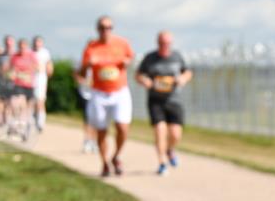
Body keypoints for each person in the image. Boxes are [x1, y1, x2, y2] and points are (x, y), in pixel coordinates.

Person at [75, 15, 134, 176]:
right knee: (102, 130)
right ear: (97, 29)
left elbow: (130, 58)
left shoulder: (122, 43)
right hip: (99, 93)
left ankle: (116, 156)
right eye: (102, 27)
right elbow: (80, 73)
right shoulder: (91, 48)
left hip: (119, 91)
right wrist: (88, 64)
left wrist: (127, 62)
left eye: (109, 27)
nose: (105, 30)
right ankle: (105, 163)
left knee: (122, 127)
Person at [136, 31, 193, 175]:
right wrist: (145, 80)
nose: (164, 46)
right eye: (162, 43)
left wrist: (183, 79)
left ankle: (169, 150)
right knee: (160, 131)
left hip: (174, 100)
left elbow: (187, 72)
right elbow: (138, 75)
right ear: (157, 43)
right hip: (156, 100)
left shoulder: (177, 57)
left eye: (167, 43)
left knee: (175, 135)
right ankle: (162, 162)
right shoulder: (150, 58)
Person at [8, 38, 39, 141]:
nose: (22, 49)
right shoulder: (15, 56)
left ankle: (24, 128)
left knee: (25, 109)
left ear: (27, 46)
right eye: (20, 47)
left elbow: (37, 67)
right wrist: (12, 74)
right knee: (17, 103)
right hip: (18, 84)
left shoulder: (31, 55)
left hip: (29, 85)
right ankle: (17, 124)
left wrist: (27, 72)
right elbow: (11, 70)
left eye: (24, 47)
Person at [32, 35, 53, 133]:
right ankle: (34, 120)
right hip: (31, 79)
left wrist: (48, 74)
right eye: (36, 42)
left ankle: (40, 123)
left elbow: (49, 66)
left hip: (41, 79)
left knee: (40, 101)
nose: (37, 44)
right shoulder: (30, 52)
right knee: (33, 102)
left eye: (39, 42)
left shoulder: (45, 53)